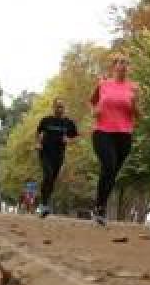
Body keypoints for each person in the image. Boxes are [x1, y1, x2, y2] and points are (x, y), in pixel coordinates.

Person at [90, 52, 139, 226]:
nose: (124, 65)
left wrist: (134, 106)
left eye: (127, 63)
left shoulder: (134, 88)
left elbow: (139, 115)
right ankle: (100, 208)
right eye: (120, 62)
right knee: (109, 165)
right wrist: (94, 111)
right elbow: (92, 101)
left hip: (124, 135)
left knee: (111, 174)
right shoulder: (103, 84)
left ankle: (99, 207)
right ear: (114, 66)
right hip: (102, 132)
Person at [34, 98, 79, 217]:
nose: (60, 109)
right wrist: (38, 143)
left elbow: (76, 136)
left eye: (62, 107)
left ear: (64, 108)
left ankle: (44, 203)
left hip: (59, 156)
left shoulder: (68, 123)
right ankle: (43, 205)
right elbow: (39, 132)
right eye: (58, 106)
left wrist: (68, 139)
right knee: (48, 175)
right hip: (45, 153)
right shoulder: (46, 120)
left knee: (52, 180)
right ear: (53, 107)